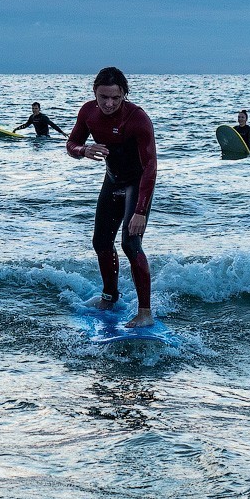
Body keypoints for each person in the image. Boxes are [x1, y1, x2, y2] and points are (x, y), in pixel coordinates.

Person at [66, 67, 158, 328]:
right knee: (101, 243)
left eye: (115, 98)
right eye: (103, 97)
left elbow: (151, 166)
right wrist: (84, 150)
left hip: (137, 185)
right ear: (94, 93)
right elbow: (71, 144)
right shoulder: (88, 112)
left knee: (131, 244)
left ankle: (144, 313)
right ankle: (109, 297)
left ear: (124, 95)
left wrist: (140, 210)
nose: (108, 104)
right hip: (112, 181)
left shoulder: (138, 119)